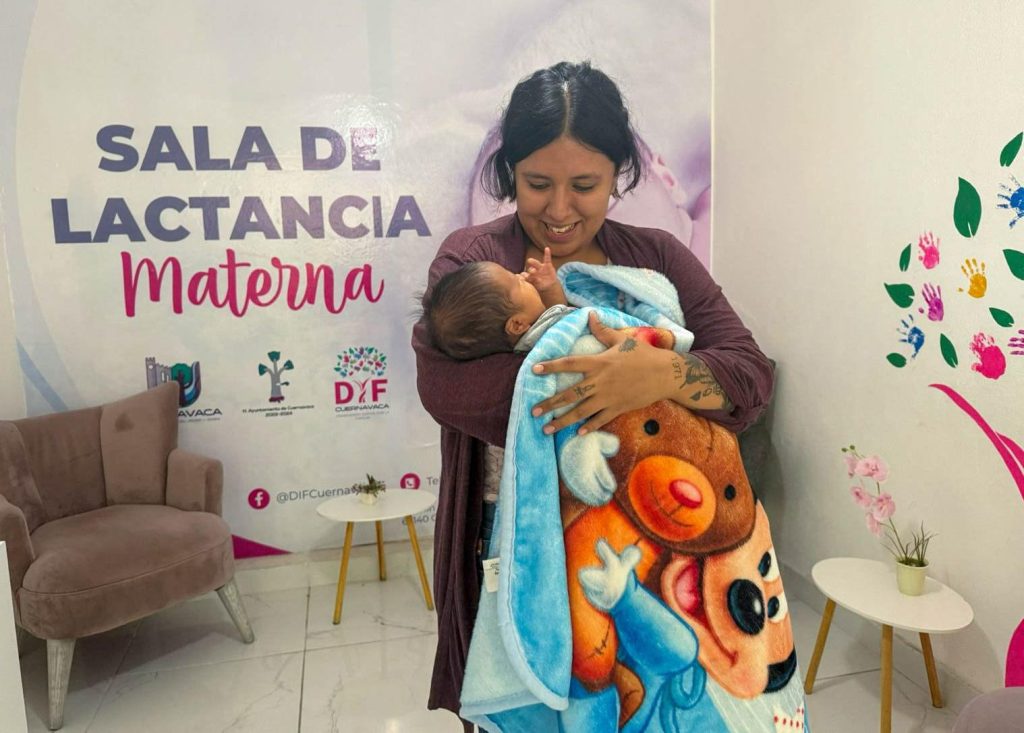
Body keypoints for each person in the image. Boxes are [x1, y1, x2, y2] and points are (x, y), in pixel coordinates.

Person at [411, 60, 774, 731]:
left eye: (584, 185)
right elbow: (445, 383)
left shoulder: (658, 258)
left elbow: (749, 374)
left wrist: (658, 377)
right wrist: (615, 382)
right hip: (511, 545)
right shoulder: (476, 262)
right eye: (536, 184)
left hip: (653, 549)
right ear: (509, 173)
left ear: (619, 175)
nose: (558, 210)